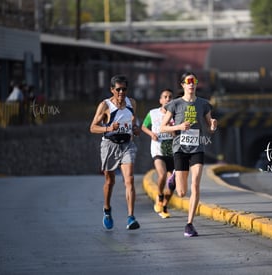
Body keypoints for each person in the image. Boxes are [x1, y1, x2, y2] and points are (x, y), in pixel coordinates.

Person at [160, 72, 217, 237]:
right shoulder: (175, 104)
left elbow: (210, 127)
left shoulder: (204, 104)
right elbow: (163, 127)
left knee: (196, 184)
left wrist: (213, 125)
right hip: (180, 149)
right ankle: (175, 178)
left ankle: (189, 224)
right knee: (182, 192)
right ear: (183, 85)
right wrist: (178, 127)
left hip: (197, 148)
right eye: (188, 81)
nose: (191, 84)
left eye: (194, 81)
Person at [90, 74, 141, 231]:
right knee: (110, 181)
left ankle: (131, 217)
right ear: (112, 90)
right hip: (109, 145)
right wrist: (108, 128)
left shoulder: (131, 103)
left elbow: (134, 122)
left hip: (127, 144)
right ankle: (107, 209)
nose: (121, 93)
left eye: (124, 89)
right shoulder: (105, 105)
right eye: (118, 89)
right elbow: (92, 127)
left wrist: (136, 129)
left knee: (129, 179)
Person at [141, 89, 176, 219]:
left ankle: (165, 206)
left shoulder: (176, 115)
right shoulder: (153, 113)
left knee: (173, 182)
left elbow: (179, 132)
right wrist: (151, 134)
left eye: (170, 97)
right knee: (162, 174)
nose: (167, 99)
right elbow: (144, 126)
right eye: (165, 97)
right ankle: (160, 195)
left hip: (172, 150)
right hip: (158, 149)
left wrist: (174, 131)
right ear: (161, 100)